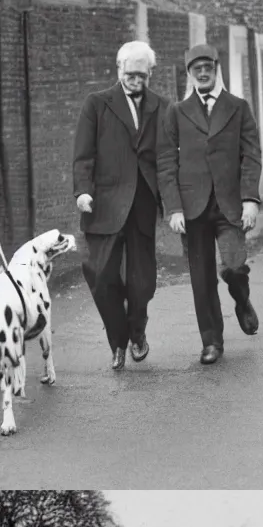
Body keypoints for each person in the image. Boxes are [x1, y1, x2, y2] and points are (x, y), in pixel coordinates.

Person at [158, 44, 263, 365]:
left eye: (208, 67)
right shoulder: (176, 112)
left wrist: (250, 199)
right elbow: (165, 162)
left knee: (234, 266)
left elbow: (251, 156)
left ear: (217, 69)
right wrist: (173, 207)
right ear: (189, 74)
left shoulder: (238, 107)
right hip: (192, 208)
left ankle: (242, 300)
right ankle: (211, 342)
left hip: (230, 204)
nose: (203, 73)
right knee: (201, 278)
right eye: (196, 69)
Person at [73, 40, 165, 370]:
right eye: (130, 75)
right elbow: (83, 154)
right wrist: (82, 191)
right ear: (118, 69)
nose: (137, 82)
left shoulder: (161, 107)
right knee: (100, 275)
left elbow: (167, 158)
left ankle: (137, 332)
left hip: (142, 204)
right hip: (104, 203)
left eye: (143, 75)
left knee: (143, 282)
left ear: (150, 73)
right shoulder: (96, 104)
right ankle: (118, 341)